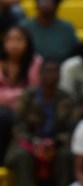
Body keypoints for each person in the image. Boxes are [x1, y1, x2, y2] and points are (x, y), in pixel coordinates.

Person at [4, 58, 77, 186]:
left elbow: (73, 129)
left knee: (66, 155)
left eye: (55, 71)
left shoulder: (67, 98)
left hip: (57, 145)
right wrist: (36, 143)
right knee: (21, 155)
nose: (51, 75)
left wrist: (54, 143)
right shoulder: (27, 96)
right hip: (29, 143)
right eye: (47, 71)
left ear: (60, 75)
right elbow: (18, 126)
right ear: (40, 74)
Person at [0, 25, 41, 163]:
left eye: (19, 40)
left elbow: (33, 94)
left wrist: (6, 97)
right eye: (10, 40)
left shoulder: (36, 62)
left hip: (27, 112)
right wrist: (19, 94)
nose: (14, 44)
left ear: (27, 43)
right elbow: (24, 93)